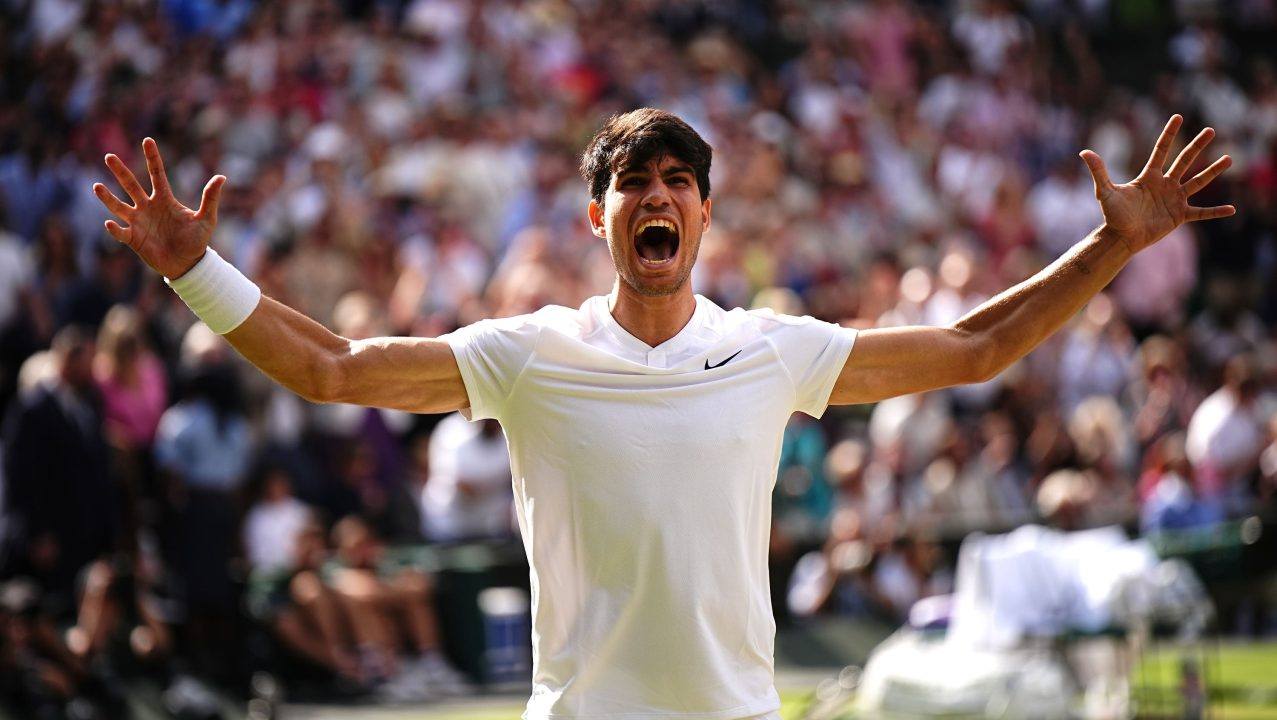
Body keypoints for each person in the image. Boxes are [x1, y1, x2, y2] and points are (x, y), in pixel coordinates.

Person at [93, 108, 1233, 720]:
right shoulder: (526, 355)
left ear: (700, 217)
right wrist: (199, 272)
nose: (657, 195)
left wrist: (1111, 245)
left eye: (678, 180)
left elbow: (978, 346)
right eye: (634, 180)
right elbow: (336, 368)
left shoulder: (769, 348)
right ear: (601, 217)